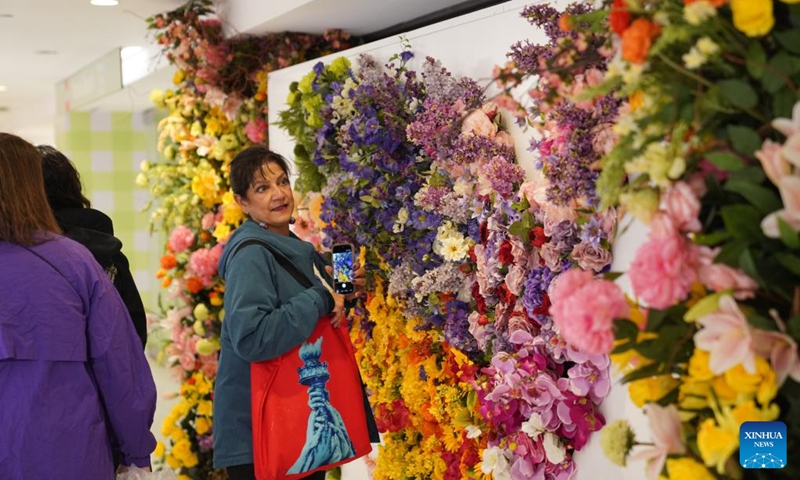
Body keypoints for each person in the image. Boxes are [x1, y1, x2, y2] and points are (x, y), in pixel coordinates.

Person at [214, 146, 377, 480]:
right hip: (262, 431)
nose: (279, 194)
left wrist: (339, 289)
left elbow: (313, 307)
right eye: (262, 188)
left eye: (282, 181)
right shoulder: (251, 255)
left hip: (294, 417)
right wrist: (320, 296)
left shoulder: (293, 247)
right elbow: (252, 336)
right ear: (242, 202)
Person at [0, 133, 157, 479]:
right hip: (68, 450)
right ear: (32, 186)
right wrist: (135, 447)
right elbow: (120, 365)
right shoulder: (73, 262)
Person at [38, 145, 148, 348]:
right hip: (101, 374)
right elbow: (135, 329)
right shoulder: (108, 249)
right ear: (74, 186)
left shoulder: (28, 251)